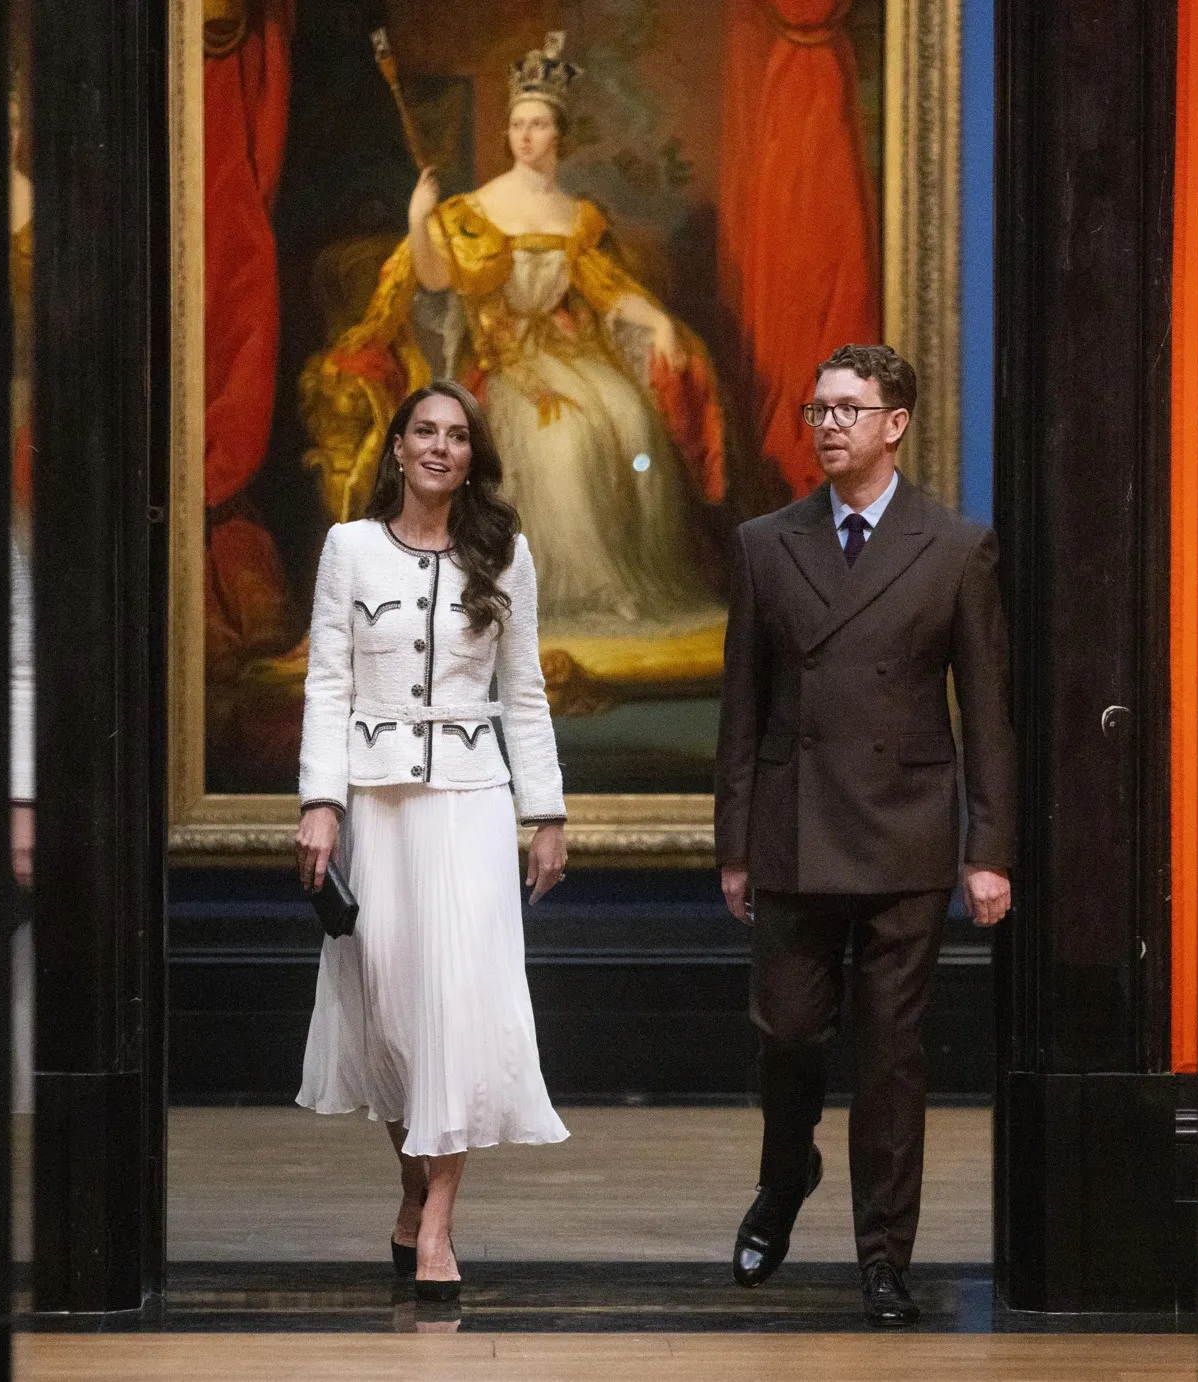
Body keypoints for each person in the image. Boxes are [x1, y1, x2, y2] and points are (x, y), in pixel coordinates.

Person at [714, 344, 1018, 1324]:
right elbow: (741, 707)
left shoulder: (952, 545)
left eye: (848, 407)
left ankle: (883, 1259)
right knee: (788, 1032)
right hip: (794, 825)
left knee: (891, 1058)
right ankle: (783, 1168)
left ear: (895, 422)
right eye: (817, 408)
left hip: (903, 833)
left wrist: (987, 848)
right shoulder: (766, 542)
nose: (828, 423)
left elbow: (985, 708)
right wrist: (732, 843)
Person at [303, 33, 726, 640]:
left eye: (538, 124)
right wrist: (420, 219)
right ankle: (571, 592)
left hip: (570, 352)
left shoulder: (578, 218)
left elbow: (607, 291)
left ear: (560, 134)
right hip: (502, 360)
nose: (525, 135)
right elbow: (433, 276)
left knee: (633, 420)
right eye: (517, 124)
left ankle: (634, 582)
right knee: (568, 441)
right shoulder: (476, 209)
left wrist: (657, 320)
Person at [293, 380, 572, 1302]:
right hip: (378, 801)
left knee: (459, 1004)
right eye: (426, 432)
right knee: (392, 1009)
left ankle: (439, 1226)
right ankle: (413, 1186)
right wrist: (319, 803)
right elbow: (327, 682)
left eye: (458, 435)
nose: (441, 448)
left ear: (471, 455)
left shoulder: (505, 554)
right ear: (399, 446)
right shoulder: (350, 549)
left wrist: (548, 814)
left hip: (472, 797)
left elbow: (525, 691)